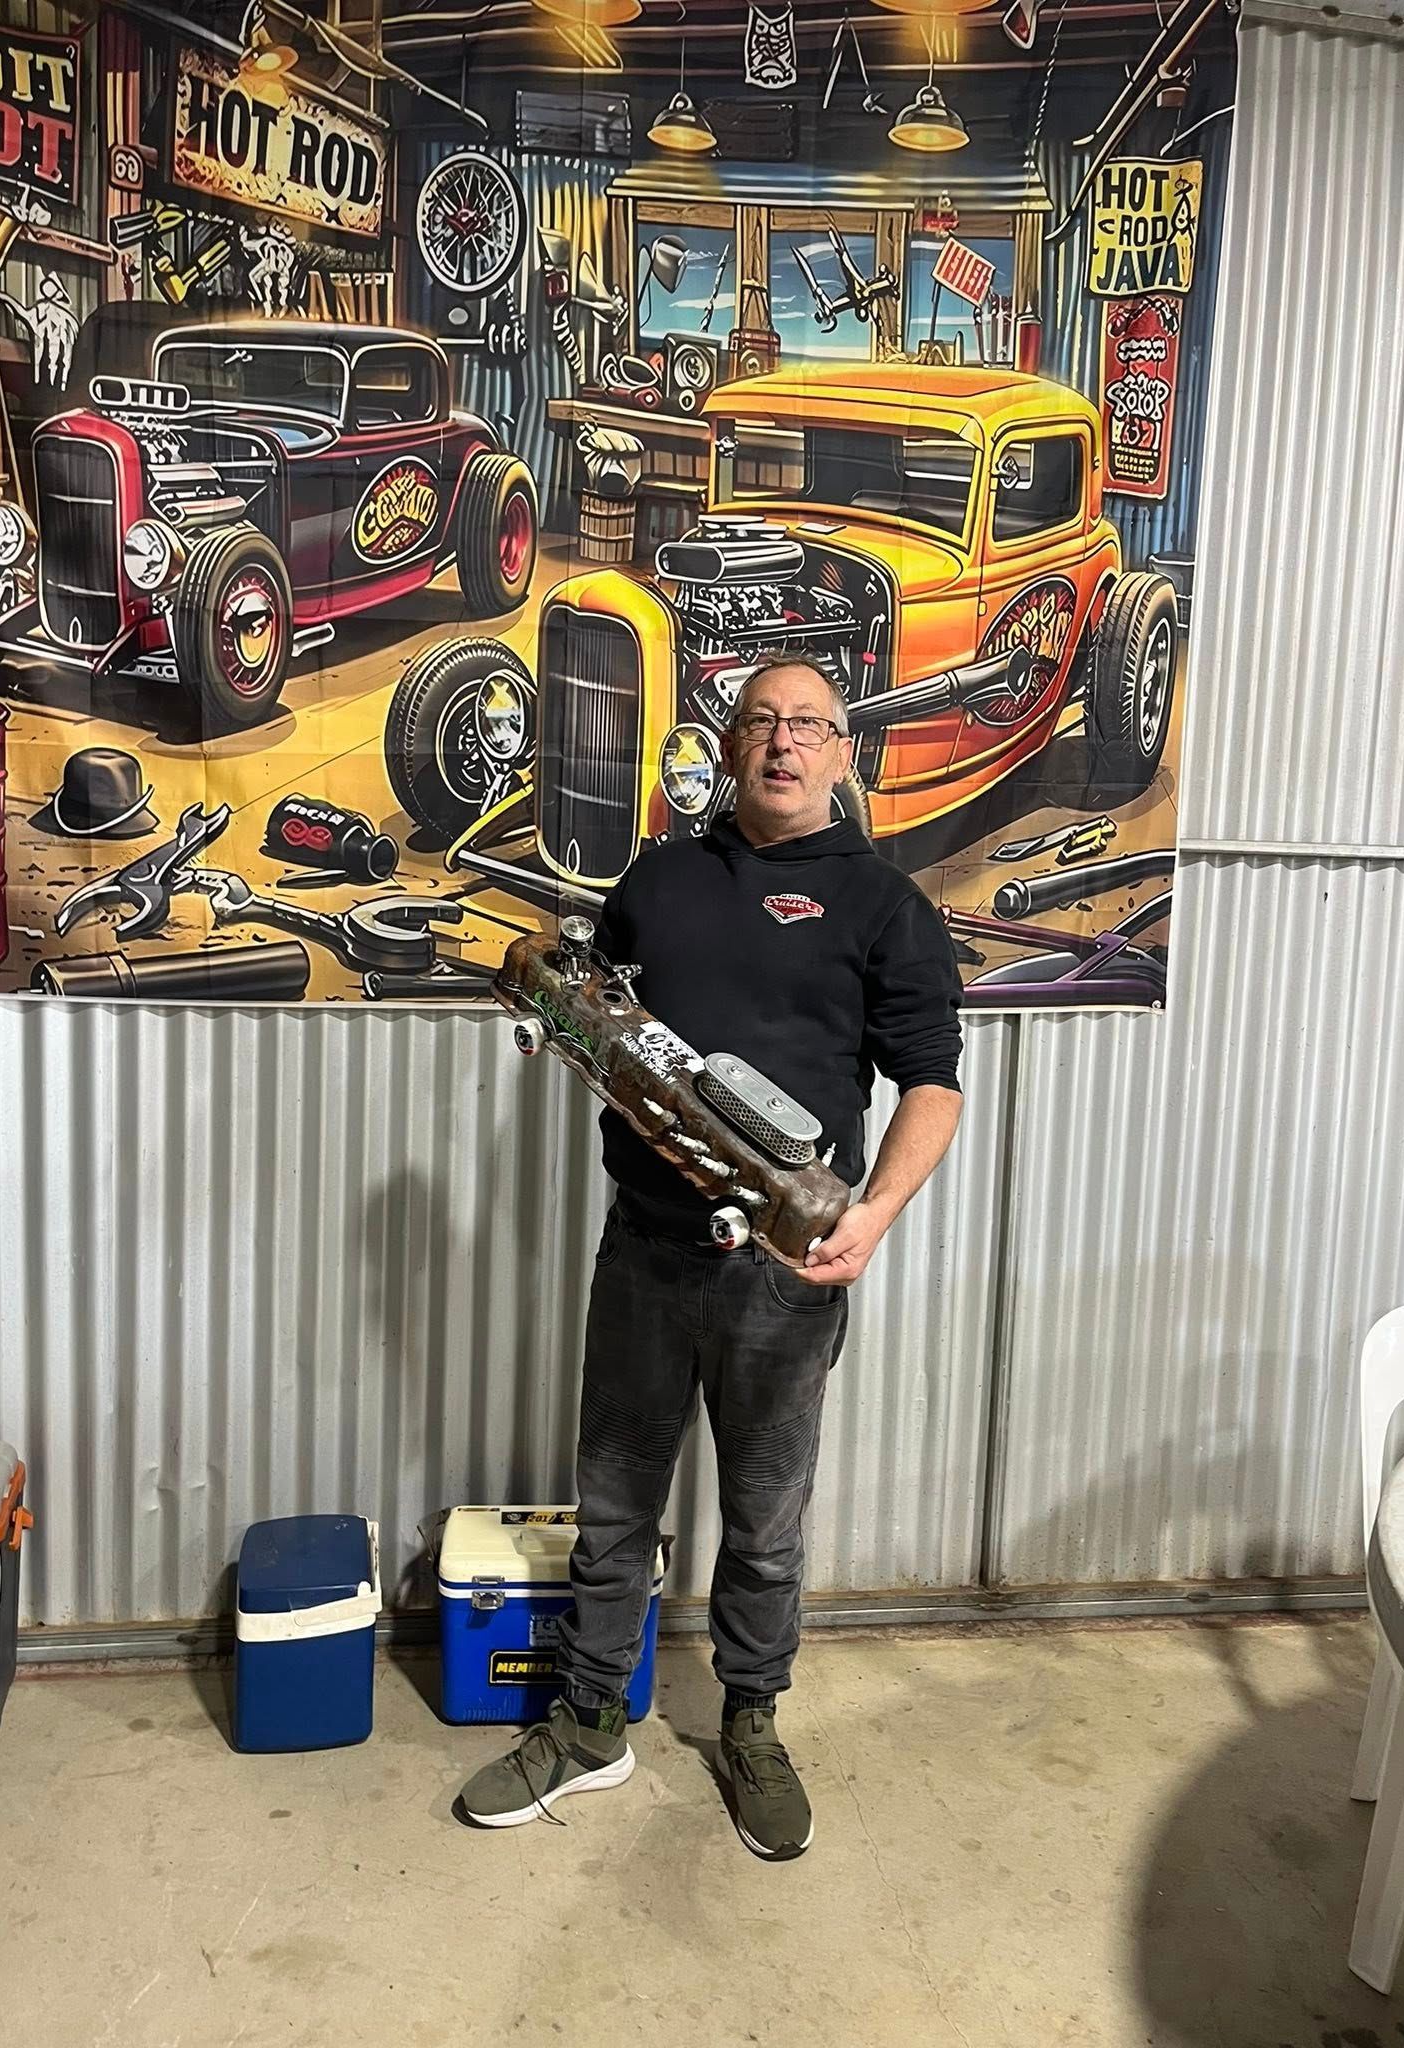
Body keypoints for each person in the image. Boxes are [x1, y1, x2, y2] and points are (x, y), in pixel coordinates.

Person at [459, 652, 964, 1858]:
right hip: (643, 1248)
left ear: (845, 754)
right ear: (731, 745)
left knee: (764, 1512)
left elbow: (933, 1085)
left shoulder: (887, 905)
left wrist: (874, 1214)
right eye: (761, 722)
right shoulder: (659, 879)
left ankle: (750, 1718)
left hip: (780, 1276)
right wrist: (561, 1022)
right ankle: (588, 1722)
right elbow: (606, 1018)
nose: (783, 742)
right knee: (615, 1500)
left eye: (810, 725)